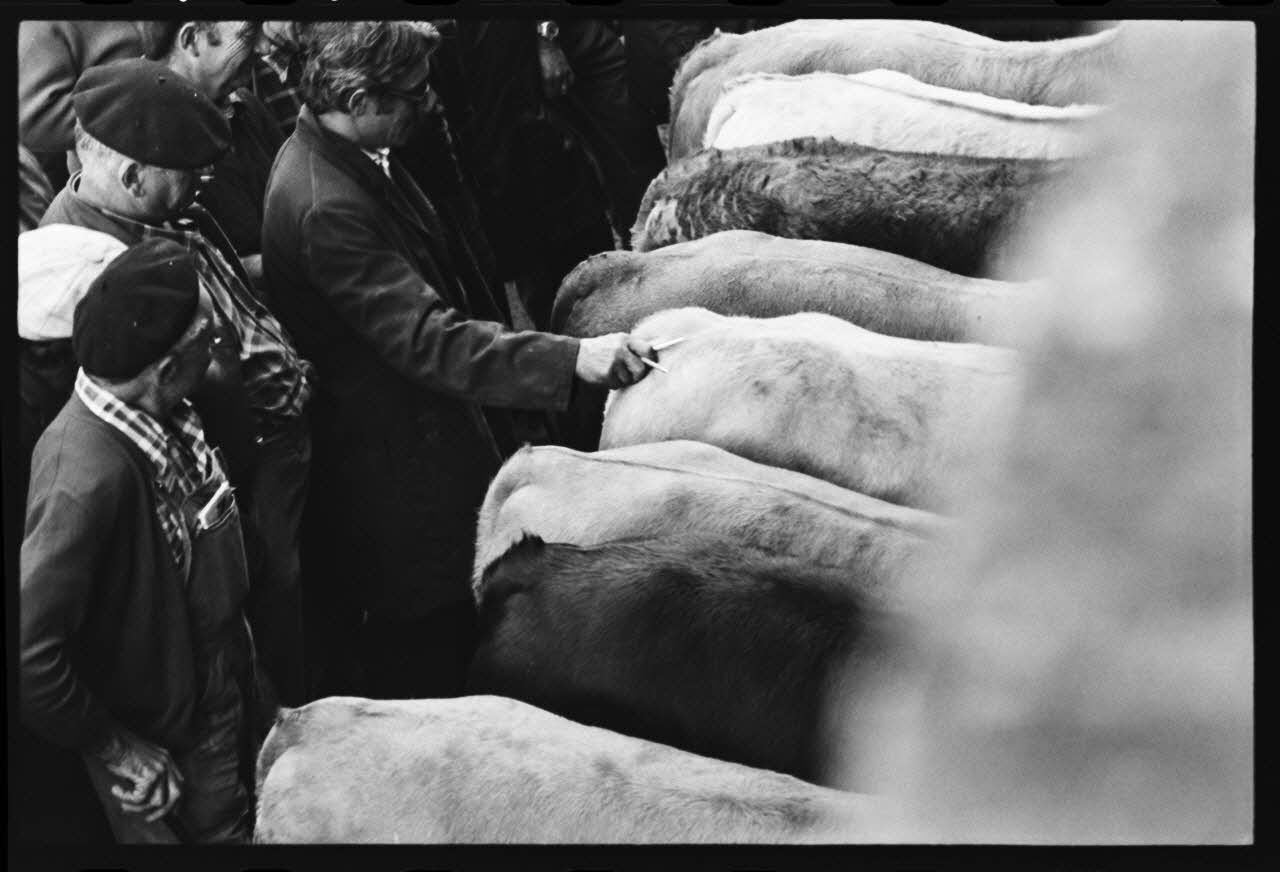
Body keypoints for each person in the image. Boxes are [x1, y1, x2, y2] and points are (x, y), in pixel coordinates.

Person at [262, 21, 659, 701]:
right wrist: (575, 360)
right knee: (441, 654)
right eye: (414, 95)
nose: (431, 105)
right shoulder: (327, 204)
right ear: (360, 100)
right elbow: (430, 339)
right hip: (399, 474)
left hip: (424, 434)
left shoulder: (353, 161)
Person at [42, 58, 314, 707]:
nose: (204, 177)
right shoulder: (84, 269)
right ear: (132, 174)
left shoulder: (162, 207)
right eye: (188, 166)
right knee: (277, 617)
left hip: (282, 452)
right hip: (240, 485)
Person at [21, 238, 265, 843]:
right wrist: (117, 746)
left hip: (225, 676)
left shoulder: (166, 406)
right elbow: (30, 654)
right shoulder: (82, 479)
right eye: (209, 337)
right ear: (167, 368)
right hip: (177, 733)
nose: (219, 348)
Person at [142, 20, 281, 279]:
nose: (264, 47)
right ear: (192, 39)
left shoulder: (245, 105)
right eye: (249, 33)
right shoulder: (142, 140)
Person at [18, 21, 147, 190]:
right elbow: (39, 121)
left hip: (143, 168)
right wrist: (141, 114)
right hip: (104, 180)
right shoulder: (40, 24)